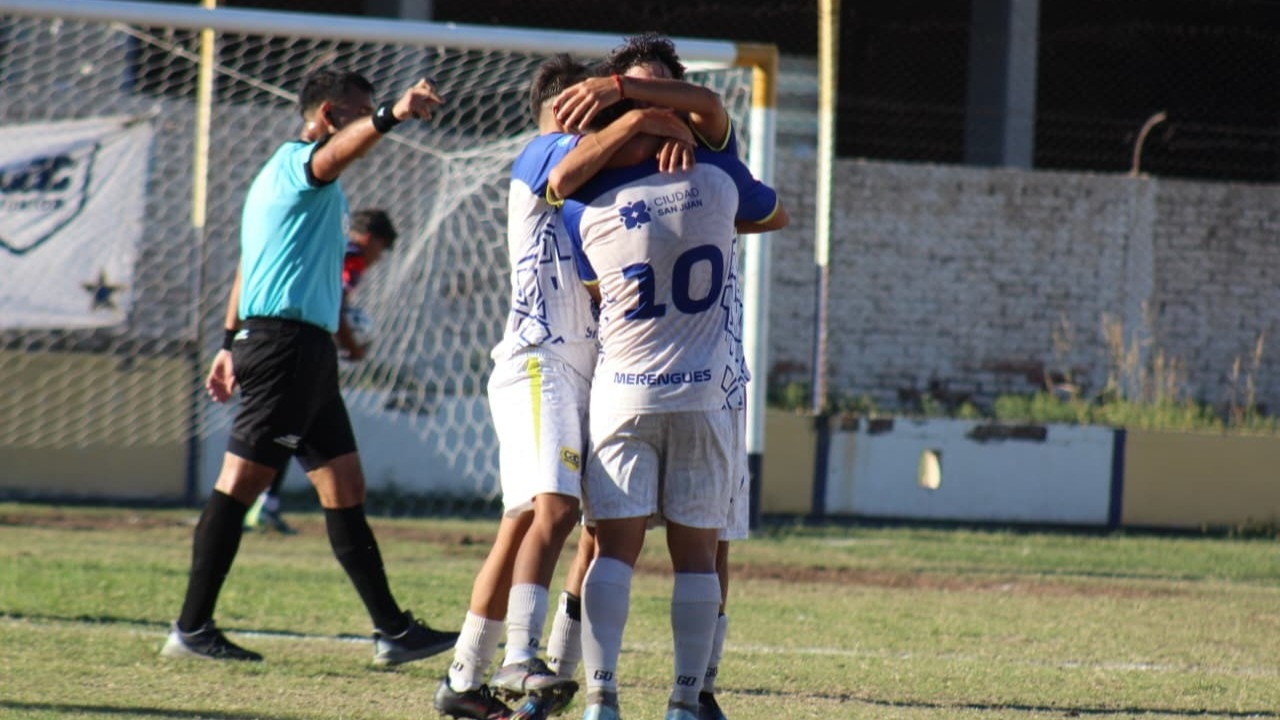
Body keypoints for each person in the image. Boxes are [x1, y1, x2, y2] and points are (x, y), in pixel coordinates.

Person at [160, 67, 458, 666]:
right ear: (327, 115)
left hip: (304, 351)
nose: (364, 121)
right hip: (286, 347)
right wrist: (394, 114)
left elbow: (251, 265)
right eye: (357, 112)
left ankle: (393, 632)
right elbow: (332, 159)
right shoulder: (301, 166)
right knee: (239, 485)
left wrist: (225, 340)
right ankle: (192, 628)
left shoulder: (278, 180)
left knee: (345, 485)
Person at [432, 53, 699, 720]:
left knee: (552, 525)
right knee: (551, 508)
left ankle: (466, 677)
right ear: (566, 109)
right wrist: (648, 113)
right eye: (598, 111)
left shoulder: (602, 190)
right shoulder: (542, 152)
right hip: (538, 361)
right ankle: (522, 656)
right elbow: (564, 173)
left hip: (595, 370)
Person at [546, 34, 761, 720]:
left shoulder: (586, 205)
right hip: (703, 390)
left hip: (626, 390)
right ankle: (681, 703)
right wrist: (660, 120)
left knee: (614, 550)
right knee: (698, 553)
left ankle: (601, 700)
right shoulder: (724, 179)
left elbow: (563, 190)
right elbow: (771, 208)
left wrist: (627, 104)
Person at [244, 208, 399, 535]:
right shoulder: (352, 257)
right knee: (286, 432)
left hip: (277, 342)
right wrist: (351, 346)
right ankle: (251, 505)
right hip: (302, 350)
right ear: (371, 240)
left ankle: (262, 505)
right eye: (381, 250)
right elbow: (336, 304)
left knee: (288, 431)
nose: (378, 259)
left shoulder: (334, 249)